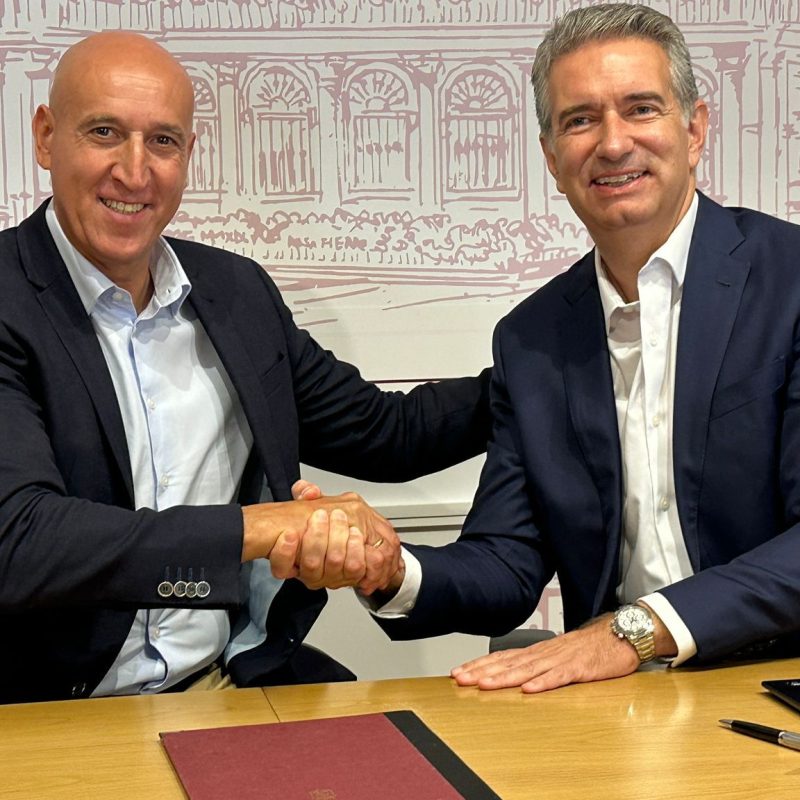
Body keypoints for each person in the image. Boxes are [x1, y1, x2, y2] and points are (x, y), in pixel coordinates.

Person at [0, 32, 490, 704]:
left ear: (188, 154)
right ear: (46, 137)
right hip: (46, 707)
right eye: (105, 132)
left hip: (222, 683)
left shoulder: (235, 292)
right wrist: (261, 528)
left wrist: (547, 370)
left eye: (163, 141)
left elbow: (385, 431)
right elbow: (22, 540)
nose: (135, 171)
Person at [358, 2, 800, 692]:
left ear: (694, 129)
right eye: (581, 120)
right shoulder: (532, 338)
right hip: (617, 703)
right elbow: (507, 562)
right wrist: (390, 570)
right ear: (552, 157)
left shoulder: (791, 279)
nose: (613, 143)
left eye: (641, 109)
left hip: (779, 678)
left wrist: (638, 629)